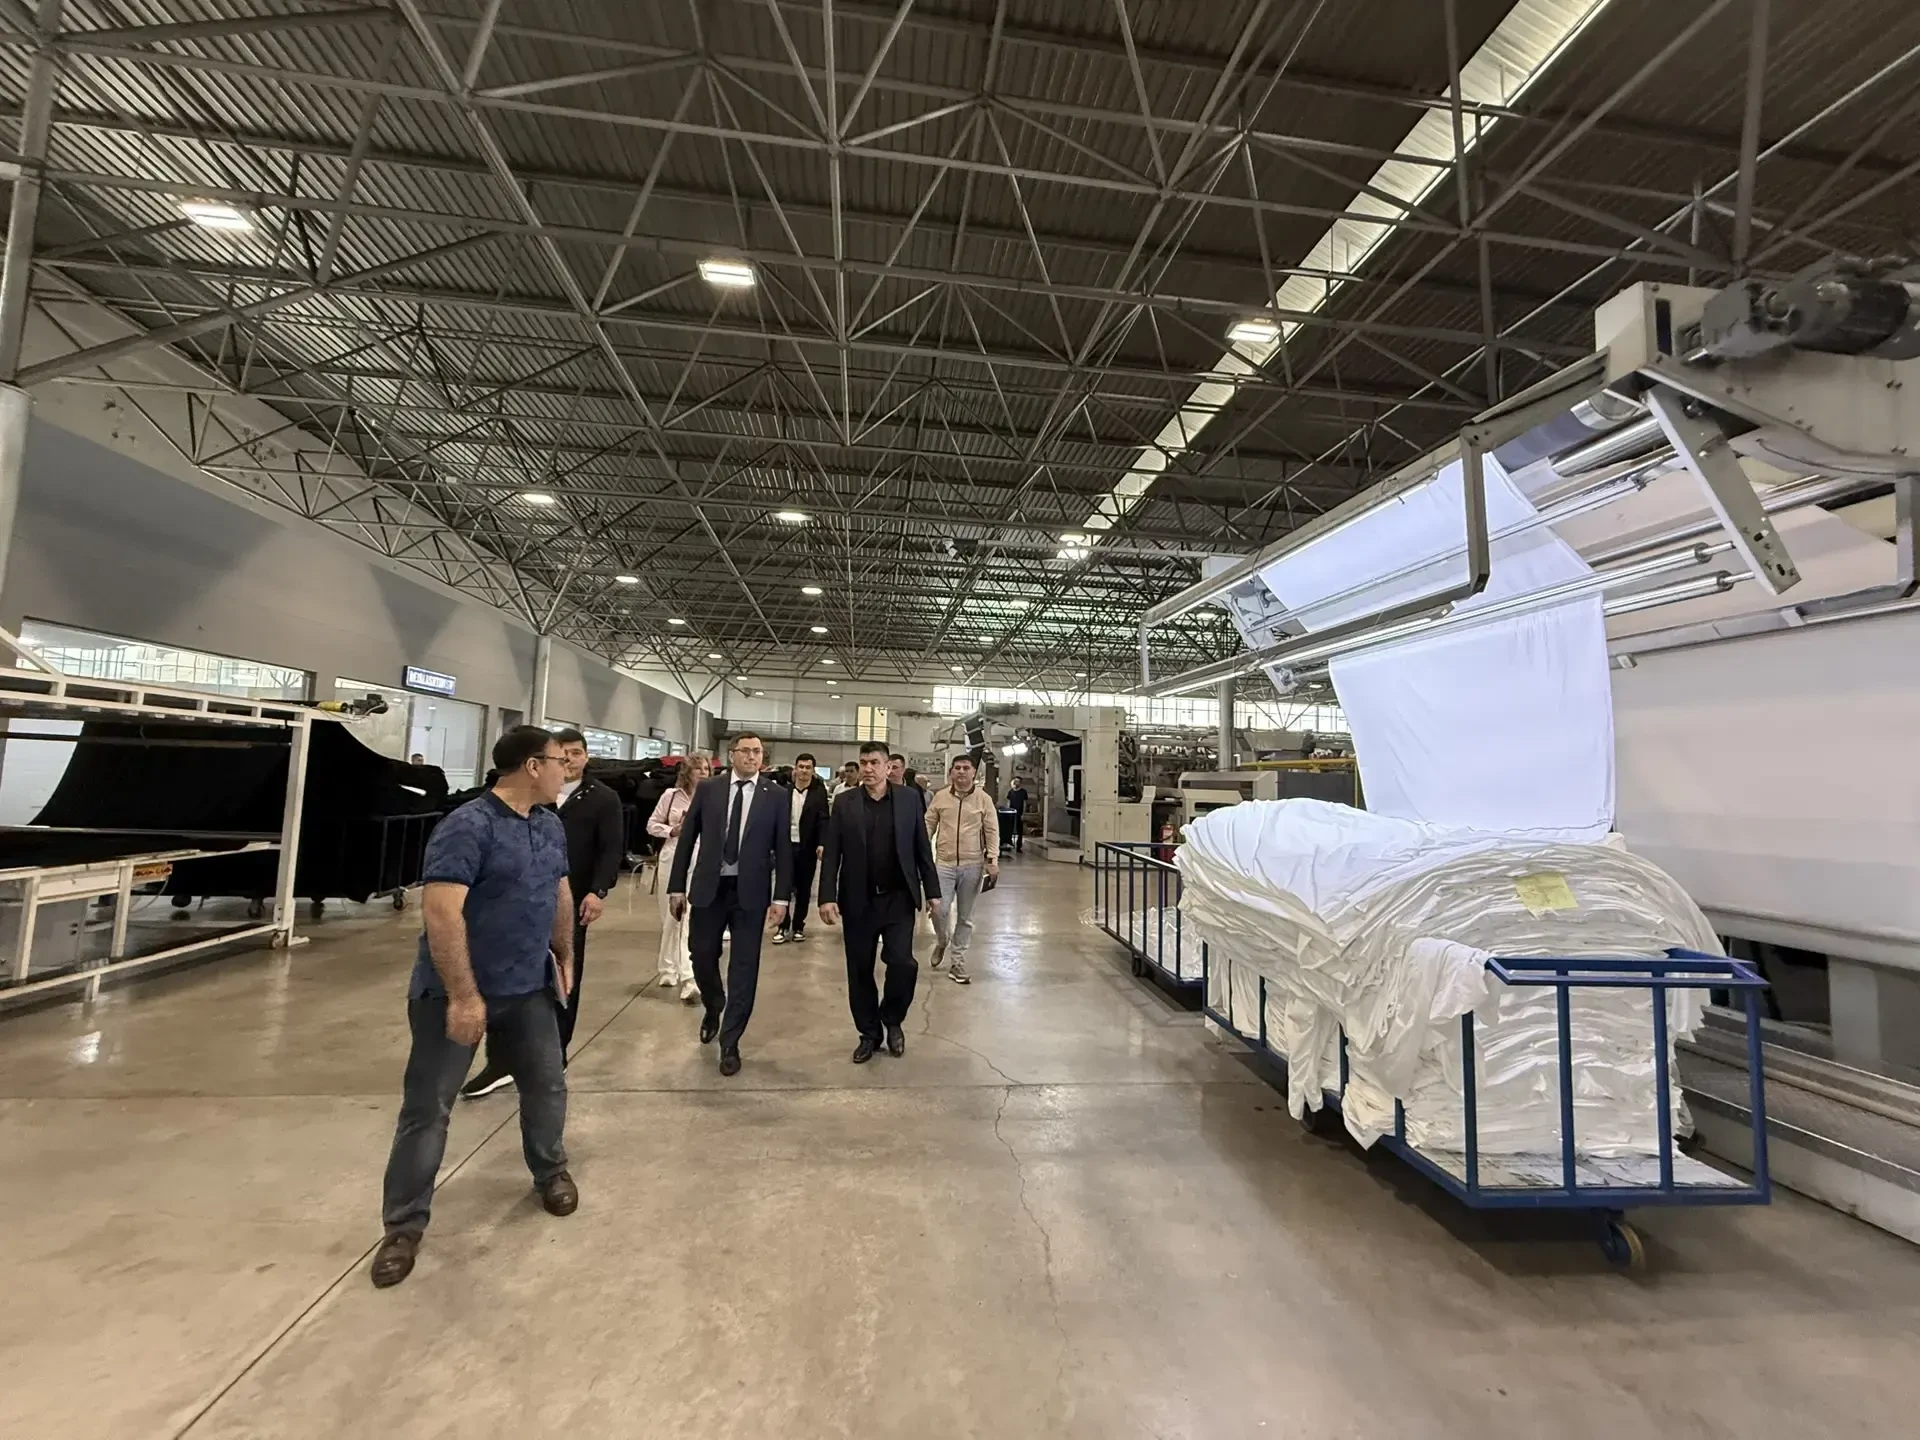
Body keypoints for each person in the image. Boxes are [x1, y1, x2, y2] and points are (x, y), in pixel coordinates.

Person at [371, 726, 577, 1289]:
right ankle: (403, 1226)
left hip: (527, 987)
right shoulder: (468, 825)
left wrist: (564, 953)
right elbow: (441, 913)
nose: (565, 771)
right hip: (455, 992)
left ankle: (550, 1171)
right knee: (429, 1108)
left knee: (547, 1084)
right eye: (559, 762)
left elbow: (559, 890)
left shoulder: (549, 823)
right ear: (532, 766)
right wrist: (464, 996)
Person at [459, 727, 625, 1097]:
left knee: (562, 980)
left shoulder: (602, 798)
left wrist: (597, 891)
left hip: (571, 902)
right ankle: (501, 1062)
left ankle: (555, 1055)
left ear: (586, 756)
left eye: (576, 753)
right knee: (507, 982)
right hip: (519, 902)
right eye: (562, 754)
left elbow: (611, 849)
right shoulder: (534, 797)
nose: (569, 761)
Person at [667, 731, 792, 1076]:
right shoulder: (709, 789)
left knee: (744, 967)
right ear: (732, 754)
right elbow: (688, 837)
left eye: (758, 752)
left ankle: (731, 1041)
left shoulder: (775, 795)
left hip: (750, 892)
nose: (752, 757)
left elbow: (783, 847)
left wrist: (781, 897)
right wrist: (676, 887)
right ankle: (713, 1004)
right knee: (701, 953)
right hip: (710, 887)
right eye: (746, 751)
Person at [817, 741, 941, 1063]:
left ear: (889, 767)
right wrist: (827, 896)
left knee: (903, 963)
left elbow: (921, 848)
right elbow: (832, 852)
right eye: (863, 763)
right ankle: (868, 1034)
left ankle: (892, 1019)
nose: (868, 768)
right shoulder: (845, 802)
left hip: (898, 898)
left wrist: (933, 891)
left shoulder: (909, 799)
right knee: (859, 970)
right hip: (858, 900)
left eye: (874, 762)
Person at [924, 754, 999, 985]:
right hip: (944, 864)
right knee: (939, 909)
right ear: (951, 773)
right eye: (957, 768)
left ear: (974, 772)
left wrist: (992, 860)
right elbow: (928, 825)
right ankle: (942, 940)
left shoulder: (983, 799)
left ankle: (957, 961)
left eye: (966, 768)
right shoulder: (940, 797)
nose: (961, 772)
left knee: (965, 917)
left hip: (972, 866)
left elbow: (992, 830)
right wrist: (921, 856)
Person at [645, 751, 710, 1003]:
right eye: (698, 768)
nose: (703, 773)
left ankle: (688, 976)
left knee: (686, 917)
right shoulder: (670, 796)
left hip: (700, 859)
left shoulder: (712, 798)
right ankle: (667, 967)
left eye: (706, 769)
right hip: (671, 858)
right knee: (670, 918)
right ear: (687, 772)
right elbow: (651, 825)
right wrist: (672, 830)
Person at [775, 752, 830, 946]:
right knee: (784, 887)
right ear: (795, 769)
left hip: (807, 847)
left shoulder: (818, 793)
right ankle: (782, 926)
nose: (804, 771)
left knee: (804, 889)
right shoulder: (783, 791)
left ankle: (798, 926)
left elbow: (824, 820)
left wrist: (822, 843)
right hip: (785, 846)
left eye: (808, 768)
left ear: (813, 771)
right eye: (801, 767)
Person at [1005, 777, 1029, 854]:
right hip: (1012, 813)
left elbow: (1024, 803)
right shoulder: (1010, 792)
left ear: (1020, 783)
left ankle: (1019, 846)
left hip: (1019, 813)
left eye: (1017, 781)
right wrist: (1008, 812)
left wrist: (1023, 814)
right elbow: (1008, 802)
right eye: (1015, 781)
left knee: (1020, 830)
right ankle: (1008, 844)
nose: (1016, 783)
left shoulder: (1023, 792)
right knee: (1009, 829)